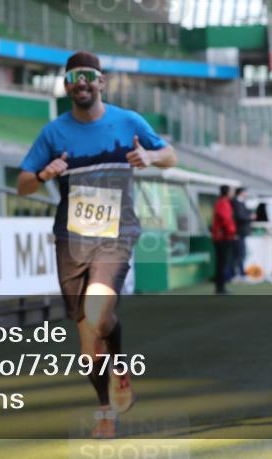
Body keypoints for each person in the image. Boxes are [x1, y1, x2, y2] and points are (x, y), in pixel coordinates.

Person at [16, 51, 177, 439]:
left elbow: (169, 156)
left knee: (99, 313)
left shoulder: (129, 121)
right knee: (88, 338)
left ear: (101, 82)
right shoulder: (53, 133)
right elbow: (22, 184)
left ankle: (119, 364)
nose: (82, 83)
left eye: (89, 76)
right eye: (74, 78)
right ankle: (106, 410)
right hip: (71, 241)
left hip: (116, 236)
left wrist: (150, 156)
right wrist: (41, 173)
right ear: (67, 86)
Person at [211, 185, 236, 294]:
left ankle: (220, 286)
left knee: (222, 262)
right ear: (227, 192)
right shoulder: (222, 203)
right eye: (231, 191)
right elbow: (226, 220)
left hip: (223, 236)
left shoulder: (223, 202)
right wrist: (231, 232)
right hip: (222, 237)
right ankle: (220, 287)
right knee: (222, 262)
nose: (233, 193)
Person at [231, 187, 252, 281]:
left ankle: (240, 273)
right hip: (237, 232)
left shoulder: (241, 202)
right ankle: (237, 274)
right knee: (238, 254)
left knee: (241, 253)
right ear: (241, 193)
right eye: (245, 192)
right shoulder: (235, 202)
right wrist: (250, 217)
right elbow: (240, 217)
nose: (246, 194)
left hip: (241, 232)